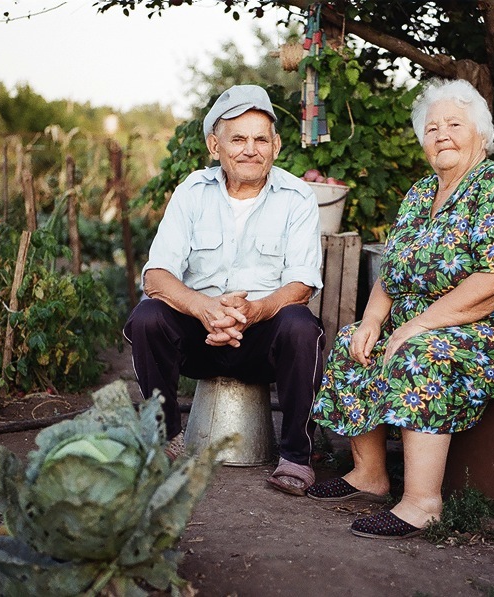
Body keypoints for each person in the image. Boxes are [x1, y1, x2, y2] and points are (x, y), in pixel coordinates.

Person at [305, 79, 494, 538]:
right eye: (432, 127)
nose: (441, 134)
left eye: (454, 124)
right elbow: (392, 273)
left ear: (481, 135)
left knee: (420, 351)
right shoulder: (420, 195)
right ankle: (370, 475)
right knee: (352, 342)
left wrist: (418, 325)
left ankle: (423, 502)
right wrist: (372, 319)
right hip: (438, 325)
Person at [124, 84, 325, 496]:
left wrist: (255, 311)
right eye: (238, 139)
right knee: (147, 317)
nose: (250, 149)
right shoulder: (192, 192)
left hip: (262, 339)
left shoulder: (298, 197)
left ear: (276, 146)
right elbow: (156, 276)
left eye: (260, 139)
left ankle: (295, 457)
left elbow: (303, 283)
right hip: (200, 337)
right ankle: (166, 440)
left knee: (300, 325)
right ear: (216, 146)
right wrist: (204, 308)